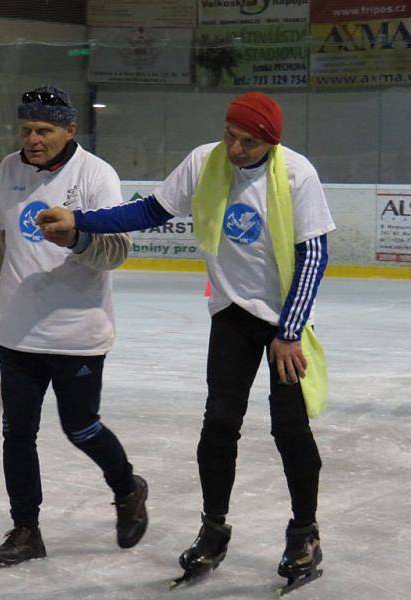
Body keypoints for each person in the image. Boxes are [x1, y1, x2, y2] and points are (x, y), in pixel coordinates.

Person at [37, 92, 334, 587]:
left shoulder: (297, 175)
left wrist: (288, 332)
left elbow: (314, 256)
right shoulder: (204, 161)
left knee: (290, 429)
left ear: (271, 142)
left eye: (248, 142)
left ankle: (304, 533)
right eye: (231, 135)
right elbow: (148, 211)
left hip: (284, 318)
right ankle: (213, 529)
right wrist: (81, 221)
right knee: (218, 424)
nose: (235, 149)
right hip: (232, 312)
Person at [0, 85, 148, 567]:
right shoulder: (9, 169)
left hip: (77, 334)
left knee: (82, 428)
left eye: (44, 130)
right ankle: (26, 530)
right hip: (18, 332)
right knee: (18, 434)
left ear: (70, 129)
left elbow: (118, 251)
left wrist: (77, 236)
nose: (33, 139)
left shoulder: (96, 176)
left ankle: (127, 489)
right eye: (26, 130)